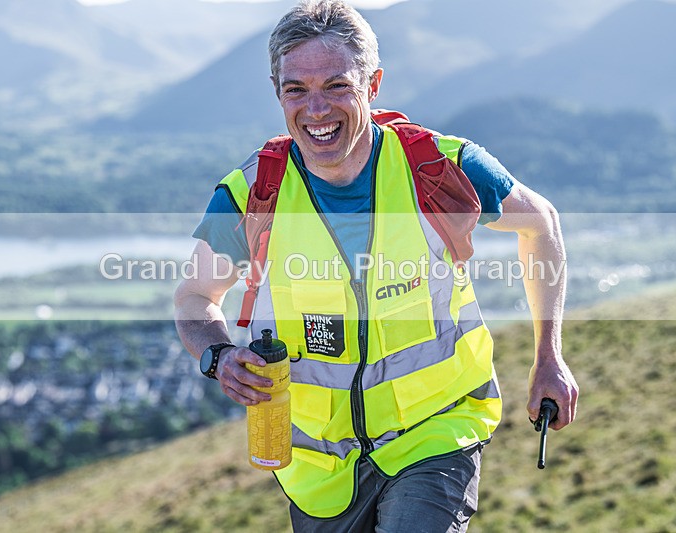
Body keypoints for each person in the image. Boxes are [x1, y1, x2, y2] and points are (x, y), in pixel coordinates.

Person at [174, 0, 579, 530]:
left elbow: (540, 223)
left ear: (373, 84)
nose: (316, 110)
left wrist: (548, 355)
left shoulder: (438, 169)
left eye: (337, 86)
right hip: (317, 468)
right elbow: (193, 300)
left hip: (435, 434)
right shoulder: (254, 193)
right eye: (296, 89)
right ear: (278, 92)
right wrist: (218, 355)